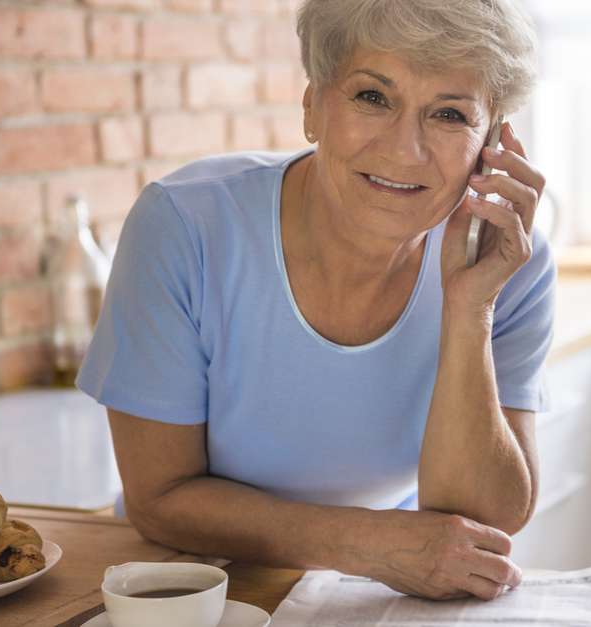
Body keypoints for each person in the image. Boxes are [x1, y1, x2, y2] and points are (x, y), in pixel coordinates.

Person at [76, 0, 554, 602]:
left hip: (385, 590)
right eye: (372, 97)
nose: (406, 150)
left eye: (450, 113)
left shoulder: (507, 260)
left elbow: (483, 521)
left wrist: (468, 311)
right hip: (193, 583)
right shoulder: (185, 225)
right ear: (312, 105)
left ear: (493, 142)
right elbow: (159, 499)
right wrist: (371, 545)